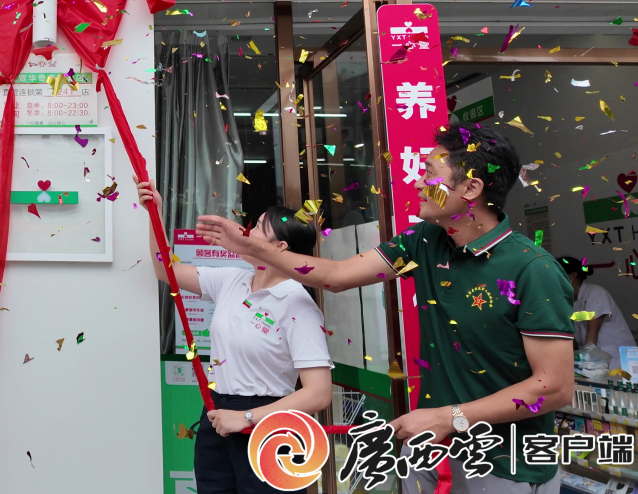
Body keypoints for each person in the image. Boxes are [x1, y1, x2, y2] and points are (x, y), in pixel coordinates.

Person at [197, 124, 574, 494]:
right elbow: (337, 276)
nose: (419, 183)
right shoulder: (425, 240)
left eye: (430, 174)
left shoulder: (532, 269)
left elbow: (554, 388)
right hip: (428, 448)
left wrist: (449, 418)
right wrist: (251, 248)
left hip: (501, 464)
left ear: (471, 189)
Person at [136, 179, 333, 494]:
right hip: (217, 416)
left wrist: (247, 417)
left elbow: (319, 394)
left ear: (280, 247)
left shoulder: (298, 304)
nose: (246, 232)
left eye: (259, 228)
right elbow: (165, 270)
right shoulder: (233, 279)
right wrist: (154, 213)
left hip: (267, 423)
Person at [560, 257, 636, 372]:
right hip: (599, 362)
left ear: (572, 276)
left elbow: (592, 333)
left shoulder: (595, 293)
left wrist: (584, 364)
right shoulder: (572, 301)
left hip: (618, 361)